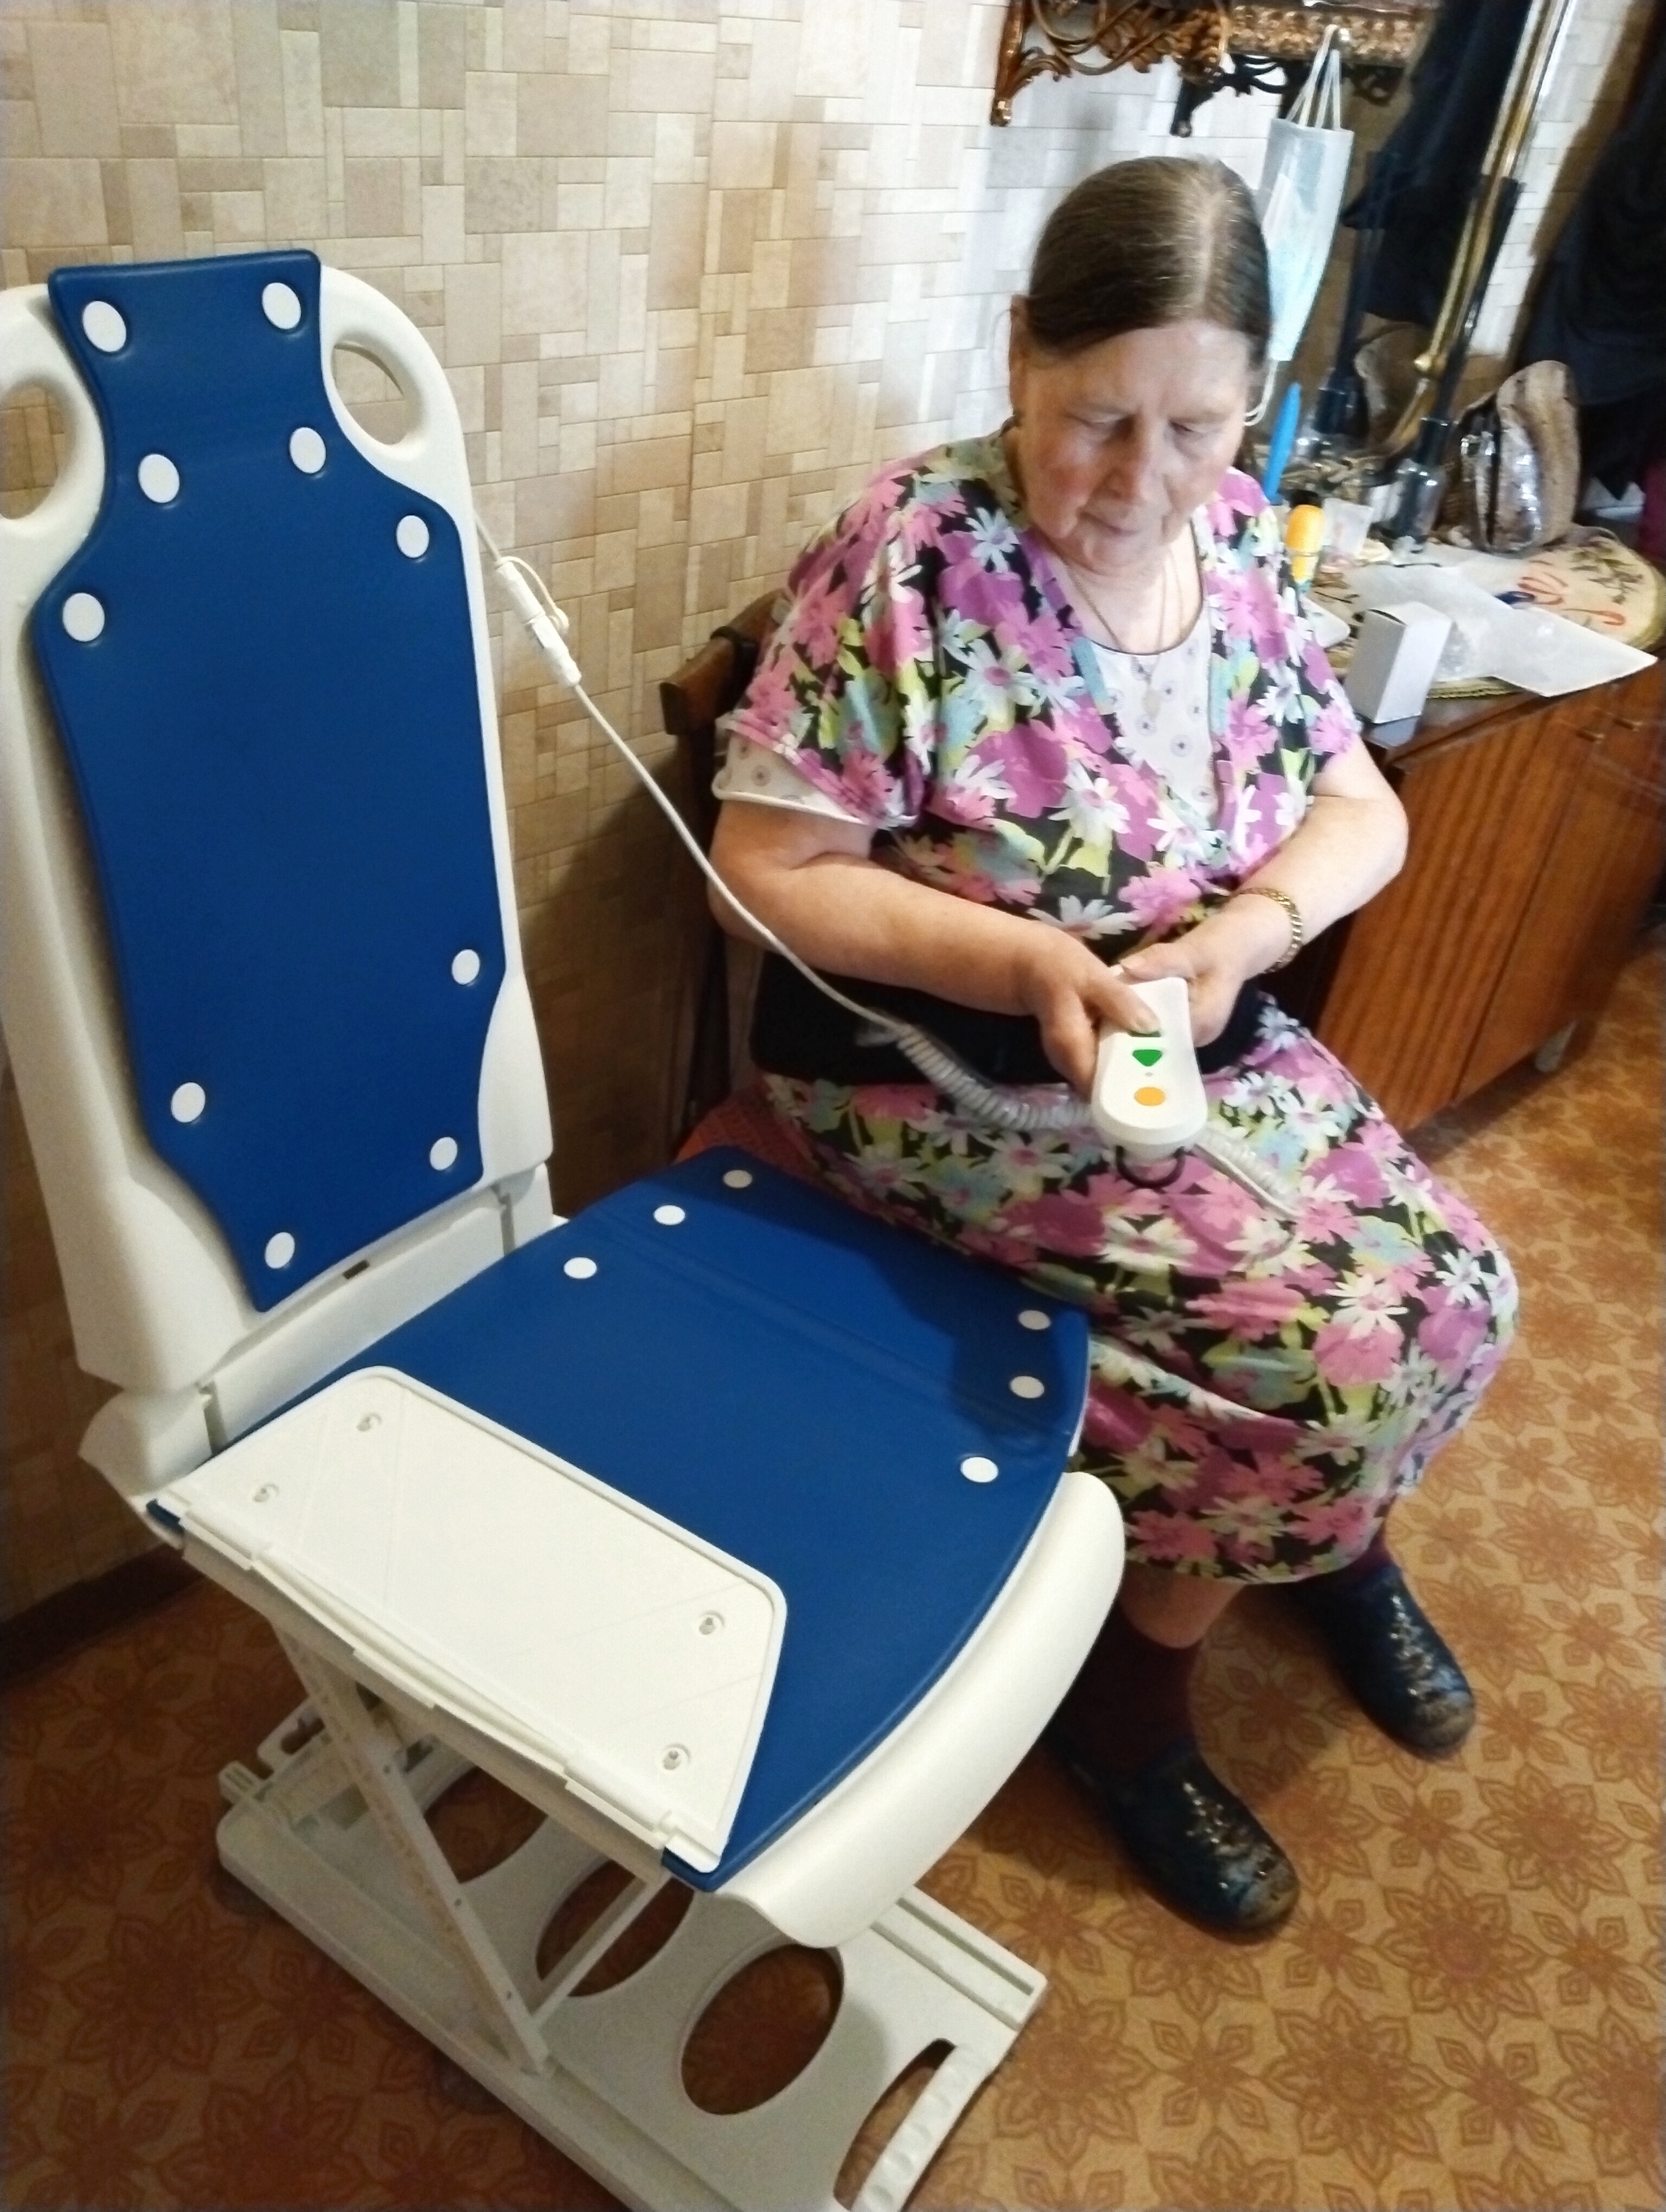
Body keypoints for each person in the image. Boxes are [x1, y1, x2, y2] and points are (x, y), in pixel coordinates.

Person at [707, 156, 1517, 1935]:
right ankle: (1129, 1707)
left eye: (1198, 429)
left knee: (1470, 1292)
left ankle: (1324, 1533)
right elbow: (767, 871)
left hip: (1191, 1030)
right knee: (1335, 1367)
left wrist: (1246, 936)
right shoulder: (914, 556)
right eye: (1096, 420)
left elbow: (1360, 809)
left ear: (1253, 408)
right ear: (1020, 354)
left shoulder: (1237, 549)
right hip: (943, 1073)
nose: (1143, 483)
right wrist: (1029, 965)